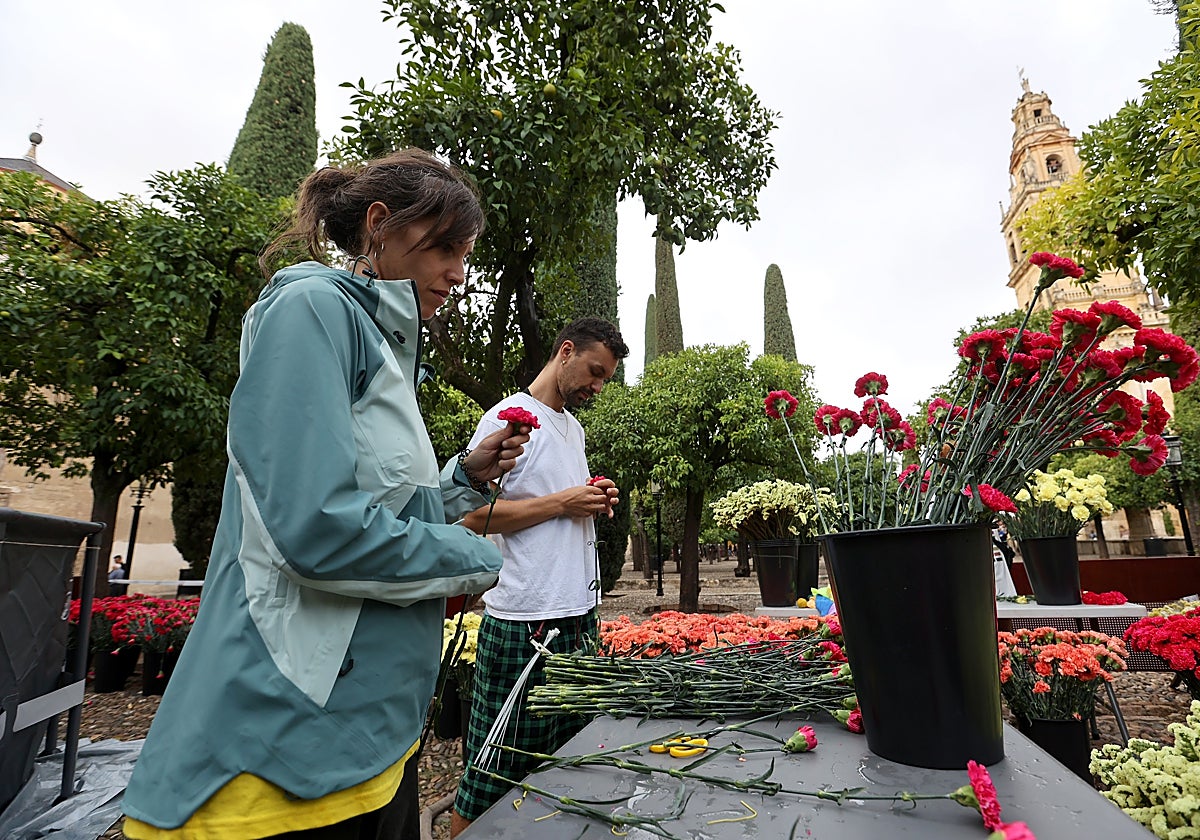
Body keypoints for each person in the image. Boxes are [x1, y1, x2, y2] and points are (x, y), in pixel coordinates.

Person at [122, 148, 532, 840]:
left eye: (466, 255)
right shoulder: (311, 308)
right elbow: (316, 530)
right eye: (445, 249)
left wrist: (463, 476)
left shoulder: (380, 339)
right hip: (283, 749)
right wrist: (475, 559)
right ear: (380, 225)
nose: (459, 274)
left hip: (371, 738)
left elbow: (382, 512)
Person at [451, 317, 629, 837]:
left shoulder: (570, 428)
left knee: (564, 761)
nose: (597, 386)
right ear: (566, 351)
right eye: (595, 372)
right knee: (492, 769)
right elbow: (471, 514)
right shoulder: (508, 419)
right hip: (526, 621)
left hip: (576, 617)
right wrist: (564, 502)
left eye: (605, 379)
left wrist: (593, 496)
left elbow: (557, 506)